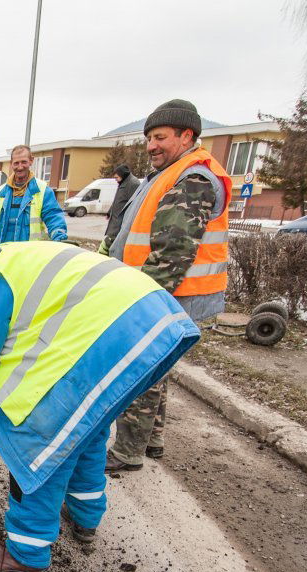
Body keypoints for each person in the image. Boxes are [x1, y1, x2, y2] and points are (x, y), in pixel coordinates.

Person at [0, 244, 199, 572]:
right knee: (85, 434)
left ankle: (26, 554)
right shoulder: (7, 259)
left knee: (41, 445)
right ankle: (85, 517)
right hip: (147, 321)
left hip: (117, 329)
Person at [107, 99, 232, 473]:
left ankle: (128, 451)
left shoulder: (193, 178)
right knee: (158, 367)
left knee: (143, 368)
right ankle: (153, 439)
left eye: (160, 137)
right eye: (149, 139)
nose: (151, 146)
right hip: (170, 293)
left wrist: (145, 303)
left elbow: (173, 253)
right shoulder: (173, 172)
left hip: (169, 293)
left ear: (186, 136)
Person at [0, 144, 69, 249]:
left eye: (24, 162)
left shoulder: (42, 191)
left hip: (26, 256)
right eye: (16, 163)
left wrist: (59, 237)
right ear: (11, 164)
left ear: (31, 161)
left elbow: (53, 217)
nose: (20, 167)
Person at [100, 164, 140, 252]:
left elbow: (134, 204)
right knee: (109, 243)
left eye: (117, 177)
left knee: (110, 245)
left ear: (123, 175)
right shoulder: (123, 182)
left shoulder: (133, 184)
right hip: (115, 220)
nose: (115, 180)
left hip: (122, 222)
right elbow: (118, 200)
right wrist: (109, 212)